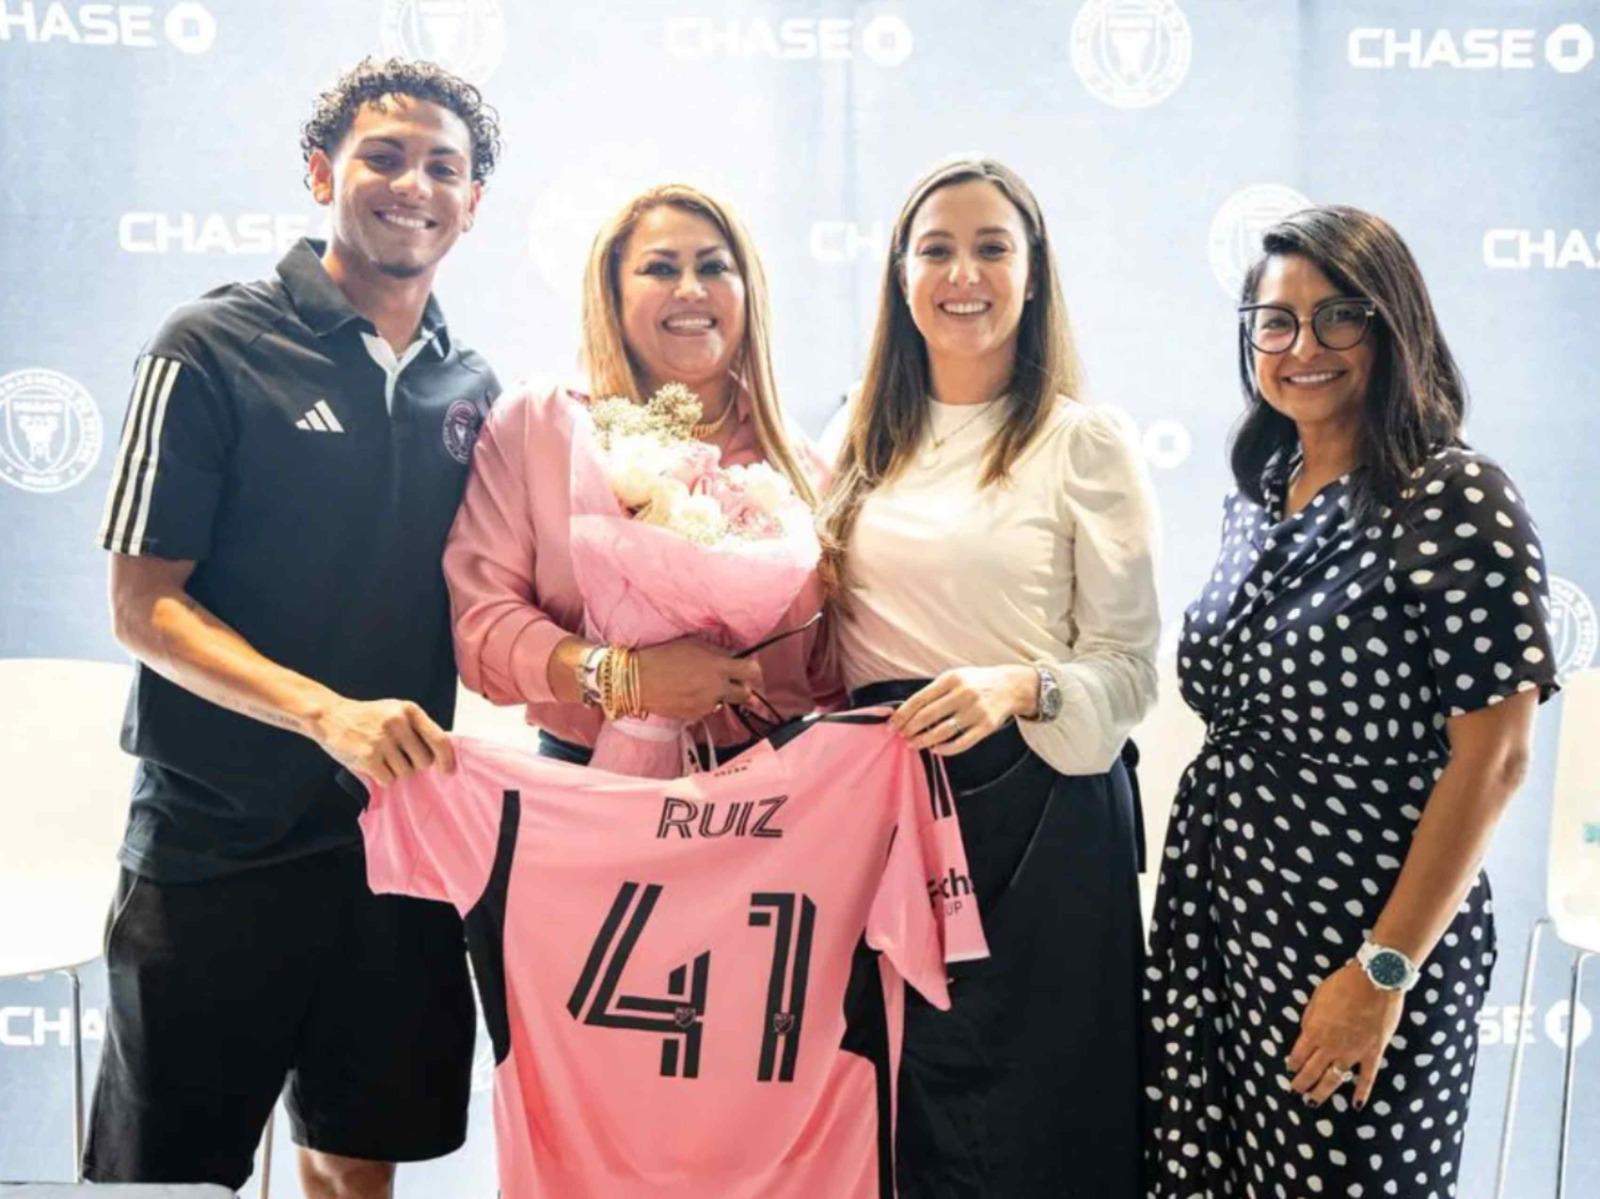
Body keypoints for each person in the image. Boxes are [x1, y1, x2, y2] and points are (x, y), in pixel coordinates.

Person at [85, 59, 501, 1198]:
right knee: (166, 1175)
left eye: (442, 167)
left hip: (395, 850)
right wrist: (325, 713)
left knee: (355, 1165)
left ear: (473, 203)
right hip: (213, 847)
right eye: (383, 155)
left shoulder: (475, 387)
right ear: (321, 171)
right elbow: (143, 605)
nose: (411, 183)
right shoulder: (205, 346)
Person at [1144, 205, 1558, 1197]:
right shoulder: (1259, 493)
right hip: (1228, 928)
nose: (1304, 346)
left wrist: (1380, 972)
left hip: (1364, 939)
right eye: (1274, 322)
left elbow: (1494, 758)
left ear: (1392, 325)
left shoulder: (1453, 495)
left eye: (1339, 316)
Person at [819, 155, 1160, 1197]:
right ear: (898, 272)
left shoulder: (1080, 440)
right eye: (936, 248)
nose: (961, 273)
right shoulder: (849, 437)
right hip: (880, 830)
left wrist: (1016, 685)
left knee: (1041, 1131)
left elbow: (1131, 668)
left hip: (1039, 831)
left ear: (1033, 271)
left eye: (990, 247)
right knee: (902, 1126)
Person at [444, 183, 832, 766]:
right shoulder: (540, 424)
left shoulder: (800, 466)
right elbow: (482, 620)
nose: (691, 289)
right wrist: (619, 677)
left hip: (775, 783)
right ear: (613, 293)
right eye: (660, 268)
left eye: (714, 267)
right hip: (587, 779)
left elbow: (835, 666)